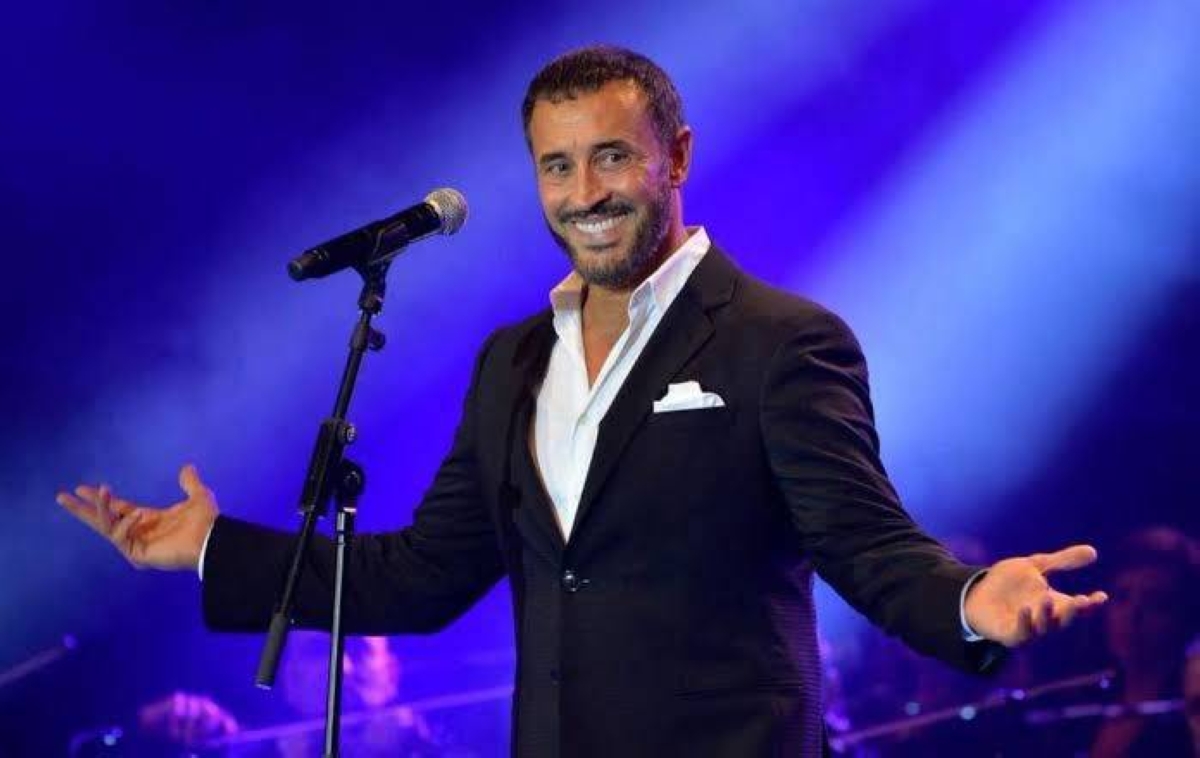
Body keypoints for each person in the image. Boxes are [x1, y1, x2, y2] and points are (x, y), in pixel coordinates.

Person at [58, 45, 1107, 757]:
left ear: (675, 157)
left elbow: (864, 543)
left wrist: (970, 598)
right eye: (556, 166)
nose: (585, 192)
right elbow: (420, 576)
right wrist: (213, 548)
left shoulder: (779, 340)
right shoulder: (515, 360)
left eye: (611, 156)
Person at [1087, 526, 1198, 758]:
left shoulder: (1192, 713)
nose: (1132, 615)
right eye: (1122, 597)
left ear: (1184, 615)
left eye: (1155, 602)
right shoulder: (1086, 702)